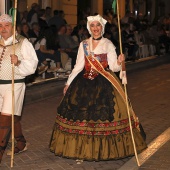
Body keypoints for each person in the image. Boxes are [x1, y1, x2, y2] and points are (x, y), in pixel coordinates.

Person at [49, 15, 147, 162]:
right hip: (83, 83)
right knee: (82, 117)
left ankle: (99, 150)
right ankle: (81, 150)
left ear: (102, 28)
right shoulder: (84, 44)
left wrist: (120, 62)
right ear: (89, 28)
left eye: (98, 26)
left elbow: (113, 67)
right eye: (93, 26)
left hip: (104, 82)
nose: (95, 28)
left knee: (103, 115)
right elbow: (78, 66)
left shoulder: (108, 44)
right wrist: (68, 83)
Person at [0, 14, 38, 163]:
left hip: (14, 85)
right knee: (11, 118)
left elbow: (33, 65)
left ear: (13, 27)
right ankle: (21, 143)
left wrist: (18, 62)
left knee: (4, 118)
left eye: (6, 25)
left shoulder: (23, 43)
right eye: (1, 26)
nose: (3, 29)